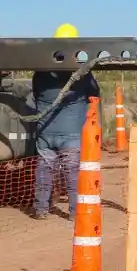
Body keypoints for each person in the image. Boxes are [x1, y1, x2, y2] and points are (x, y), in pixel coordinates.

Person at [31, 24, 101, 220]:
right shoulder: (82, 73)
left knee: (44, 170)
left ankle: (40, 209)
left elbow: (36, 93)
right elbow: (94, 94)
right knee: (72, 173)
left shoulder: (42, 72)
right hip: (71, 134)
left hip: (45, 132)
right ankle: (74, 213)